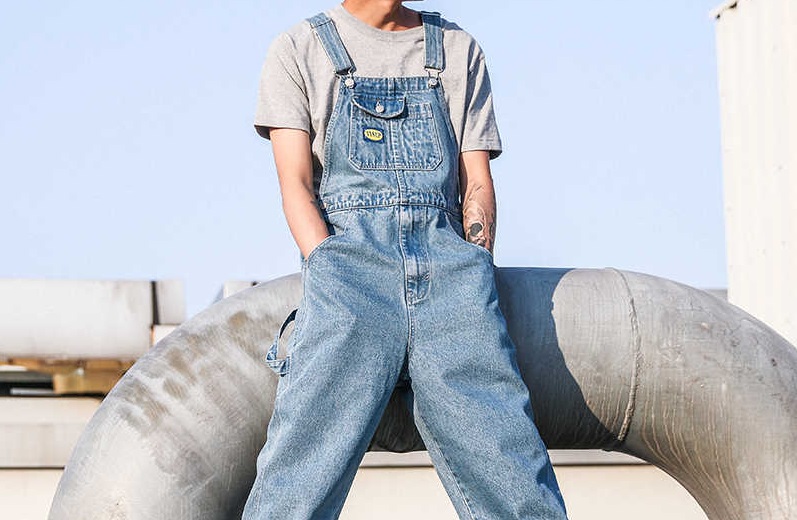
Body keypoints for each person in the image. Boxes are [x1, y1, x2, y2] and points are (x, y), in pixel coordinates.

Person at [243, 1, 568, 518]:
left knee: (510, 468)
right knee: (298, 477)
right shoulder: (299, 49)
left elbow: (477, 182)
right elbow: (296, 185)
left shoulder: (456, 48)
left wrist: (472, 268)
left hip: (451, 279)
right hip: (350, 277)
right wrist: (327, 264)